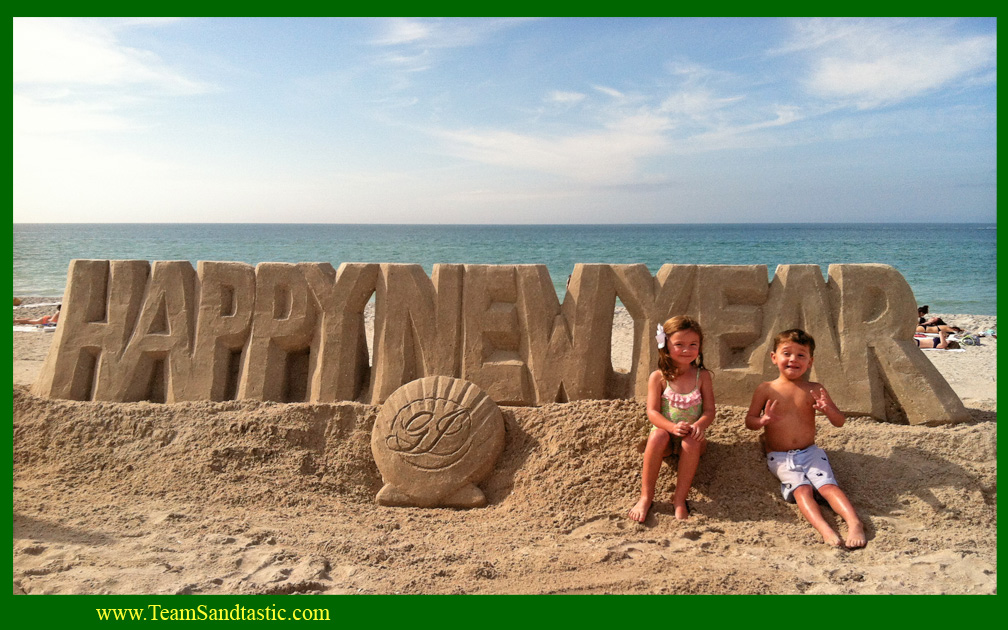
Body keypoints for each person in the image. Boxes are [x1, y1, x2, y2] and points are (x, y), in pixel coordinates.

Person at [745, 329, 866, 549]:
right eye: (787, 353)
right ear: (774, 357)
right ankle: (824, 528)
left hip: (811, 453)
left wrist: (828, 409)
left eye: (801, 355)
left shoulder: (814, 389)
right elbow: (749, 421)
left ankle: (854, 522)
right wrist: (762, 421)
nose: (793, 359)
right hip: (780, 457)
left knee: (828, 487)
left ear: (810, 362)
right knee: (803, 490)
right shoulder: (766, 389)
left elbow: (839, 421)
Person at [628, 316, 715, 522]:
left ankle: (679, 499)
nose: (686, 349)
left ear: (700, 347)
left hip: (691, 439)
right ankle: (646, 497)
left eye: (693, 344)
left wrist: (698, 426)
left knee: (692, 440)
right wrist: (672, 427)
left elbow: (709, 411)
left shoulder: (701, 376)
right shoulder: (658, 377)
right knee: (657, 435)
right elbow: (653, 412)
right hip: (666, 436)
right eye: (679, 344)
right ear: (665, 346)